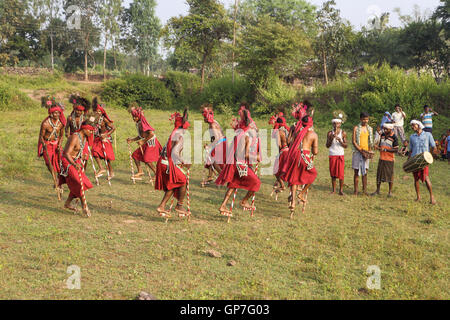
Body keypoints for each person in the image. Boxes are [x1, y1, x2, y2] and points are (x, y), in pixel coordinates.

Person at [216, 107, 261, 215]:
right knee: (256, 182)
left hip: (234, 163)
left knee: (233, 185)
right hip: (240, 164)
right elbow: (245, 155)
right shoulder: (245, 137)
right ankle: (244, 201)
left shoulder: (238, 134)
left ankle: (223, 205)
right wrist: (256, 157)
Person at [280, 104, 318, 210]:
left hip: (294, 156)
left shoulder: (297, 131)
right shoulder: (313, 134)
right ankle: (301, 193)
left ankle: (292, 203)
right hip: (304, 156)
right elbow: (315, 151)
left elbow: (290, 143)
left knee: (294, 179)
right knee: (313, 174)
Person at [155, 109, 191, 217]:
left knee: (174, 183)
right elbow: (175, 152)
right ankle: (179, 205)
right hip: (166, 164)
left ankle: (162, 206)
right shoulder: (180, 135)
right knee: (183, 180)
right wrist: (184, 162)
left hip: (161, 162)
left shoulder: (174, 133)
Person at [59, 119, 95, 216]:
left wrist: (81, 156)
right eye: (90, 130)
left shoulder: (84, 138)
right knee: (80, 183)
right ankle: (84, 206)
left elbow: (77, 151)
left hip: (76, 161)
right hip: (67, 162)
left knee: (79, 183)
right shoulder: (74, 137)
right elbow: (66, 154)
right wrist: (74, 164)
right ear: (85, 128)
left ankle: (67, 203)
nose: (91, 132)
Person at [127, 105, 162, 180]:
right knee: (135, 155)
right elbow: (141, 135)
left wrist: (143, 141)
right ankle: (140, 171)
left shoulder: (142, 123)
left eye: (135, 117)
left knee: (147, 160)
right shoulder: (138, 123)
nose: (134, 118)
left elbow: (151, 134)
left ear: (139, 116)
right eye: (133, 117)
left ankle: (157, 174)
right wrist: (132, 140)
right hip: (146, 142)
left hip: (151, 142)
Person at [38, 99, 65, 197]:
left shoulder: (61, 123)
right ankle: (55, 179)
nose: (56, 115)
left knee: (59, 164)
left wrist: (59, 144)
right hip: (47, 144)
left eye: (58, 113)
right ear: (51, 114)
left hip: (56, 144)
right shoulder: (45, 123)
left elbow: (62, 135)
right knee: (48, 163)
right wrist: (43, 144)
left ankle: (59, 181)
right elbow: (41, 136)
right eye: (54, 113)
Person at [408, 120, 437, 204]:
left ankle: (432, 197)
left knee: (426, 178)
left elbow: (433, 146)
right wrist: (408, 160)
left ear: (419, 125)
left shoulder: (428, 135)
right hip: (414, 160)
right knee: (416, 179)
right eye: (411, 126)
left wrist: (430, 156)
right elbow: (411, 150)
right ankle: (418, 197)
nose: (412, 127)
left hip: (424, 161)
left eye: (413, 125)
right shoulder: (412, 137)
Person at [372, 122, 399, 197]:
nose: (384, 130)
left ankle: (390, 192)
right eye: (384, 128)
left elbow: (396, 150)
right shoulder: (382, 135)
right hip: (382, 158)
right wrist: (377, 147)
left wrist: (385, 150)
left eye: (386, 129)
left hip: (390, 159)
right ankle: (377, 190)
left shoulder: (394, 137)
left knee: (390, 175)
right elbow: (381, 146)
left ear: (390, 129)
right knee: (379, 174)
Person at [91, 98, 115, 180]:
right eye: (96, 111)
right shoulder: (92, 118)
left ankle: (111, 172)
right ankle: (101, 168)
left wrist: (106, 135)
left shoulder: (104, 119)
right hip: (97, 139)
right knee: (94, 152)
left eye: (99, 111)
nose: (97, 113)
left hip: (104, 138)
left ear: (102, 112)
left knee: (106, 158)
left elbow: (113, 128)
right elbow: (88, 125)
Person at [202, 105, 226, 185]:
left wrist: (209, 146)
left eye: (204, 117)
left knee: (212, 160)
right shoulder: (215, 122)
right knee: (210, 158)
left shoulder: (212, 125)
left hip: (220, 143)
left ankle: (224, 176)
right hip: (222, 142)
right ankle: (210, 176)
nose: (203, 119)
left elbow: (216, 138)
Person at [352, 112, 374, 196]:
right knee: (356, 172)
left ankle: (364, 191)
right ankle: (356, 191)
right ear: (360, 119)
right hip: (358, 152)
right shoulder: (356, 128)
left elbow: (370, 142)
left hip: (366, 152)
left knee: (365, 172)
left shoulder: (370, 129)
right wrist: (361, 151)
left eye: (367, 119)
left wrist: (369, 152)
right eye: (364, 119)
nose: (365, 121)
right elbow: (354, 141)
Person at [326, 117, 347, 195]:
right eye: (334, 123)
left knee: (341, 174)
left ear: (340, 124)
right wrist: (331, 139)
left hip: (340, 154)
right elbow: (327, 145)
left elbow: (346, 145)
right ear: (332, 124)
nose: (336, 125)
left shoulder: (343, 133)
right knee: (333, 173)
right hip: (332, 154)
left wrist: (340, 141)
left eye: (338, 123)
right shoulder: (329, 133)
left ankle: (341, 190)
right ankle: (334, 190)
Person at [269, 112, 290, 193]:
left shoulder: (278, 132)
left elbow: (279, 145)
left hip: (283, 152)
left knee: (276, 170)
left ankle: (282, 185)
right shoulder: (286, 131)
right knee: (282, 169)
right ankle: (279, 183)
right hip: (288, 151)